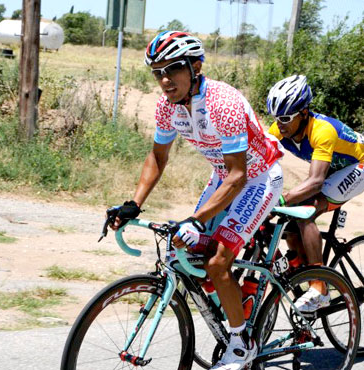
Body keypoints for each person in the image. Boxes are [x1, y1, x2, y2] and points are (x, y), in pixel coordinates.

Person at [111, 31, 285, 370]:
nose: (164, 79)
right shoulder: (167, 107)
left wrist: (195, 219)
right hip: (224, 176)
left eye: (173, 69)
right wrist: (133, 203)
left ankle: (241, 343)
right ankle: (234, 299)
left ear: (196, 66)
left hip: (258, 178)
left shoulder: (223, 103)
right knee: (181, 246)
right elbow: (158, 157)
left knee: (218, 261)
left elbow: (239, 176)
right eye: (157, 71)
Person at [267, 74, 364, 312]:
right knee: (290, 226)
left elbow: (315, 181)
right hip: (336, 168)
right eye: (276, 118)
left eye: (286, 118)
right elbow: (259, 165)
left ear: (303, 112)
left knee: (305, 212)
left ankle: (319, 287)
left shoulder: (322, 130)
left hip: (359, 166)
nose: (280, 124)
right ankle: (304, 272)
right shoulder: (278, 130)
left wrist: (277, 200)